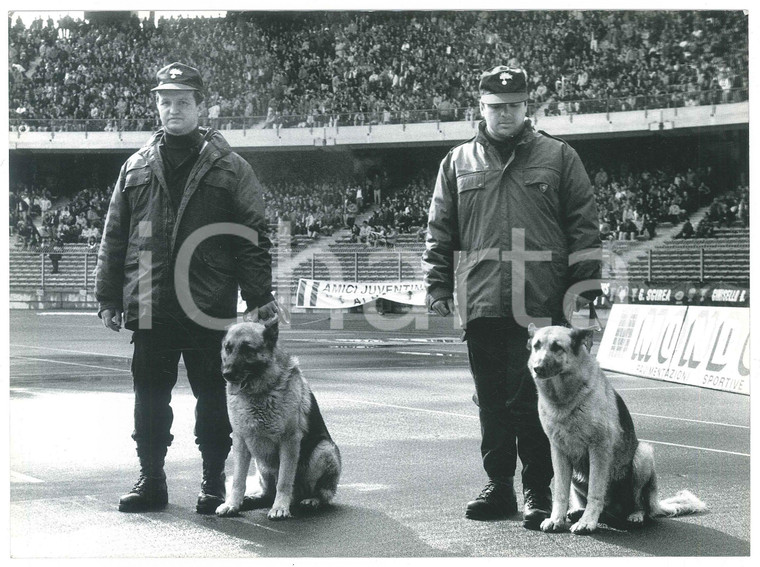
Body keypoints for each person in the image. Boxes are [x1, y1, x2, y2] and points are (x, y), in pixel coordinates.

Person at [422, 65, 601, 528]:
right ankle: (498, 486)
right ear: (480, 108)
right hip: (480, 299)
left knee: (534, 403)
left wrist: (582, 293)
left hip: (540, 303)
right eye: (496, 106)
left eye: (514, 105)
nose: (505, 114)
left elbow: (584, 226)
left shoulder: (559, 157)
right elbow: (440, 229)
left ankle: (538, 493)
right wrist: (438, 284)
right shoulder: (456, 162)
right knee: (491, 401)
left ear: (527, 107)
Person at [95, 63, 278, 515]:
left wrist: (258, 297)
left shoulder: (232, 168)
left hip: (208, 305)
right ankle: (151, 480)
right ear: (156, 105)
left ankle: (213, 484)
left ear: (200, 105)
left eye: (182, 101)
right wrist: (108, 297)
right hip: (151, 303)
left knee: (214, 400)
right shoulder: (134, 166)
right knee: (150, 401)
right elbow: (114, 235)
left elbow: (251, 236)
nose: (172, 109)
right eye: (165, 101)